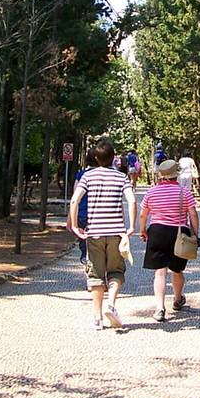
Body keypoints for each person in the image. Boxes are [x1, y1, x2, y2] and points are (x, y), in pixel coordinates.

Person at [69, 137, 137, 331]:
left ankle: (97, 318)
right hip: (116, 232)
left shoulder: (88, 177)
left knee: (96, 275)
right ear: (113, 157)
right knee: (116, 271)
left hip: (94, 233)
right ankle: (111, 305)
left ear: (96, 158)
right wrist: (131, 226)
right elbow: (131, 201)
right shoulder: (121, 177)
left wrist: (75, 226)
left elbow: (74, 201)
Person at [139, 159, 200, 323]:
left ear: (161, 176)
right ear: (176, 176)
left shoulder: (151, 192)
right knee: (177, 270)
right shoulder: (184, 192)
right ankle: (177, 298)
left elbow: (143, 214)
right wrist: (195, 235)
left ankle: (160, 308)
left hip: (157, 231)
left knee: (159, 272)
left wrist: (143, 230)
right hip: (179, 234)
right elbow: (193, 214)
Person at [67, 149, 97, 264]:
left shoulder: (81, 175)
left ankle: (87, 265)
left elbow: (75, 198)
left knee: (84, 246)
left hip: (82, 215)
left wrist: (70, 218)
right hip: (99, 216)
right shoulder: (105, 175)